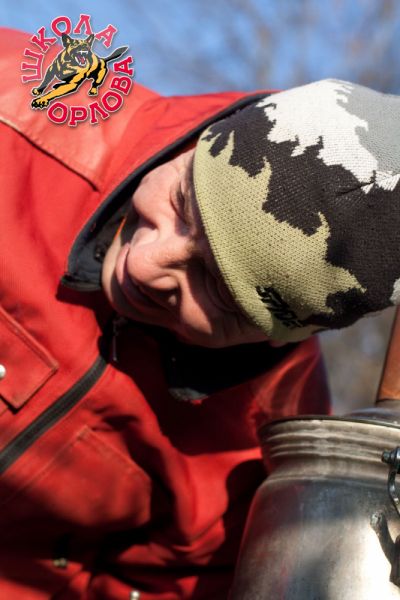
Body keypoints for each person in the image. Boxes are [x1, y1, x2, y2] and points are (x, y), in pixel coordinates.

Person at [0, 28, 360, 600]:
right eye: (181, 203)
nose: (145, 265)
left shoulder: (264, 454)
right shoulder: (17, 110)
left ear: (279, 333)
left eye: (218, 287)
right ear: (197, 143)